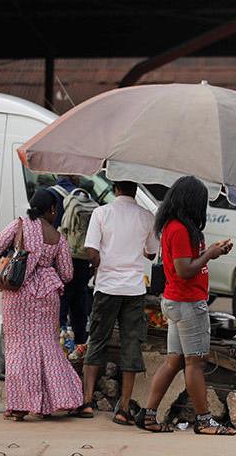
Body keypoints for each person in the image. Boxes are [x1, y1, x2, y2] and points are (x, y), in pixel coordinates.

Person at [136, 176, 235, 435]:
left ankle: (147, 415)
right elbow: (184, 270)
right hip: (188, 303)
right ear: (191, 202)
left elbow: (189, 263)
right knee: (195, 363)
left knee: (174, 361)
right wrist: (209, 255)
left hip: (177, 301)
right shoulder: (179, 229)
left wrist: (212, 251)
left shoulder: (175, 226)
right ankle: (204, 421)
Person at [0, 188, 82, 420]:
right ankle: (57, 400)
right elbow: (68, 274)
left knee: (19, 349)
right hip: (47, 296)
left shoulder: (19, 225)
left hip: (18, 293)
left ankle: (19, 406)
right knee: (47, 347)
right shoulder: (57, 237)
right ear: (51, 210)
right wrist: (46, 268)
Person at [71, 181, 158, 423]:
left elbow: (90, 249)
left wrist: (101, 263)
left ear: (116, 188)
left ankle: (87, 402)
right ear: (135, 191)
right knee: (131, 344)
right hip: (134, 289)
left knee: (97, 339)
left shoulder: (102, 212)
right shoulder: (146, 216)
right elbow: (151, 253)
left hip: (107, 286)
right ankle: (124, 408)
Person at [48, 175, 92, 343]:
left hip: (59, 261)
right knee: (79, 307)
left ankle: (58, 349)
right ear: (72, 174)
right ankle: (79, 348)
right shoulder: (84, 196)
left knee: (60, 307)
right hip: (81, 260)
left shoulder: (51, 195)